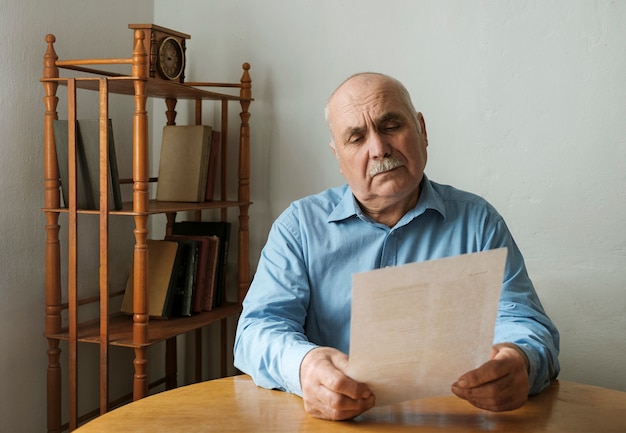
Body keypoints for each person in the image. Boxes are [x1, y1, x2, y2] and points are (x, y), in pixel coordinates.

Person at [234, 72, 560, 421]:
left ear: (421, 129)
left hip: (452, 421)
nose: (379, 149)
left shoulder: (478, 222)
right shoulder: (298, 227)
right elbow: (257, 331)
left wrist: (519, 358)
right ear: (338, 157)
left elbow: (523, 321)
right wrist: (304, 366)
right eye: (356, 138)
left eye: (390, 125)